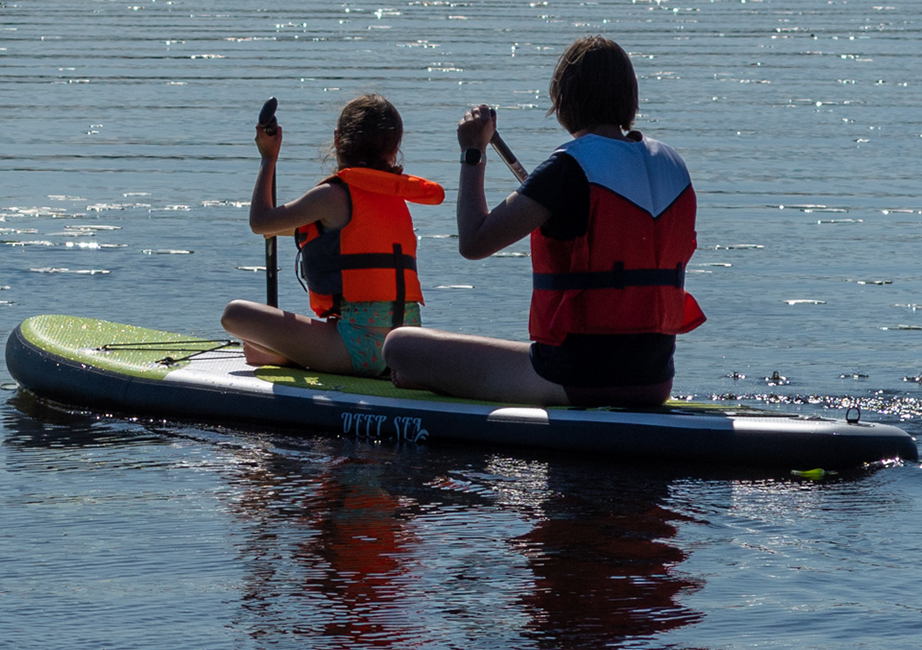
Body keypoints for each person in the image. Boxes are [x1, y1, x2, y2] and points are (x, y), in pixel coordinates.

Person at [380, 36, 702, 410]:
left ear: (563, 102)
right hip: (655, 380)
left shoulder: (569, 167)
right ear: (630, 98)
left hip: (572, 378)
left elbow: (473, 242)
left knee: (398, 345)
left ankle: (438, 378)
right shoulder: (673, 165)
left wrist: (473, 153)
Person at [222, 95, 444, 378]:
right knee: (257, 349)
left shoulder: (332, 196)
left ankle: (293, 357)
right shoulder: (395, 196)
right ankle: (286, 355)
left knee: (234, 314)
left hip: (359, 350)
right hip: (406, 348)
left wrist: (269, 158)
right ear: (394, 149)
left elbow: (261, 223)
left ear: (338, 140)